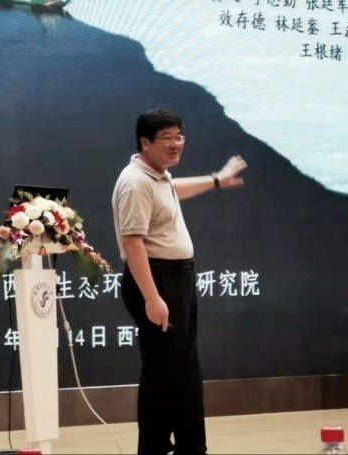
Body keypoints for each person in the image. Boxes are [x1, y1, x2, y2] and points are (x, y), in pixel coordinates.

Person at [111, 108, 247, 455]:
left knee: (181, 369)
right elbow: (132, 242)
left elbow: (174, 190)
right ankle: (157, 448)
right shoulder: (136, 181)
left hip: (176, 280)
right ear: (145, 142)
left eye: (179, 137)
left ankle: (189, 446)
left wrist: (217, 179)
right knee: (164, 372)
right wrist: (152, 297)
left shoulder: (157, 177)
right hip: (158, 280)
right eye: (166, 138)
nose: (176, 144)